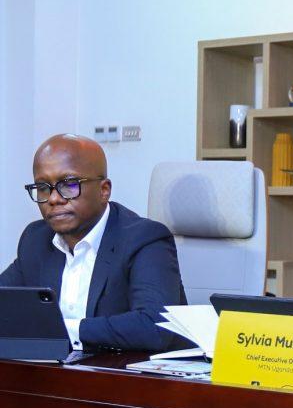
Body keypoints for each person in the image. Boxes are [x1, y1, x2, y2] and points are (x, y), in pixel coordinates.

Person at [0, 134, 186, 352]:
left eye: (68, 184)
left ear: (104, 190)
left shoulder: (144, 239)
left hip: (125, 377)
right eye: (43, 187)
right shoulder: (36, 239)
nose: (53, 199)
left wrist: (64, 330)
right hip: (53, 374)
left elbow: (155, 326)